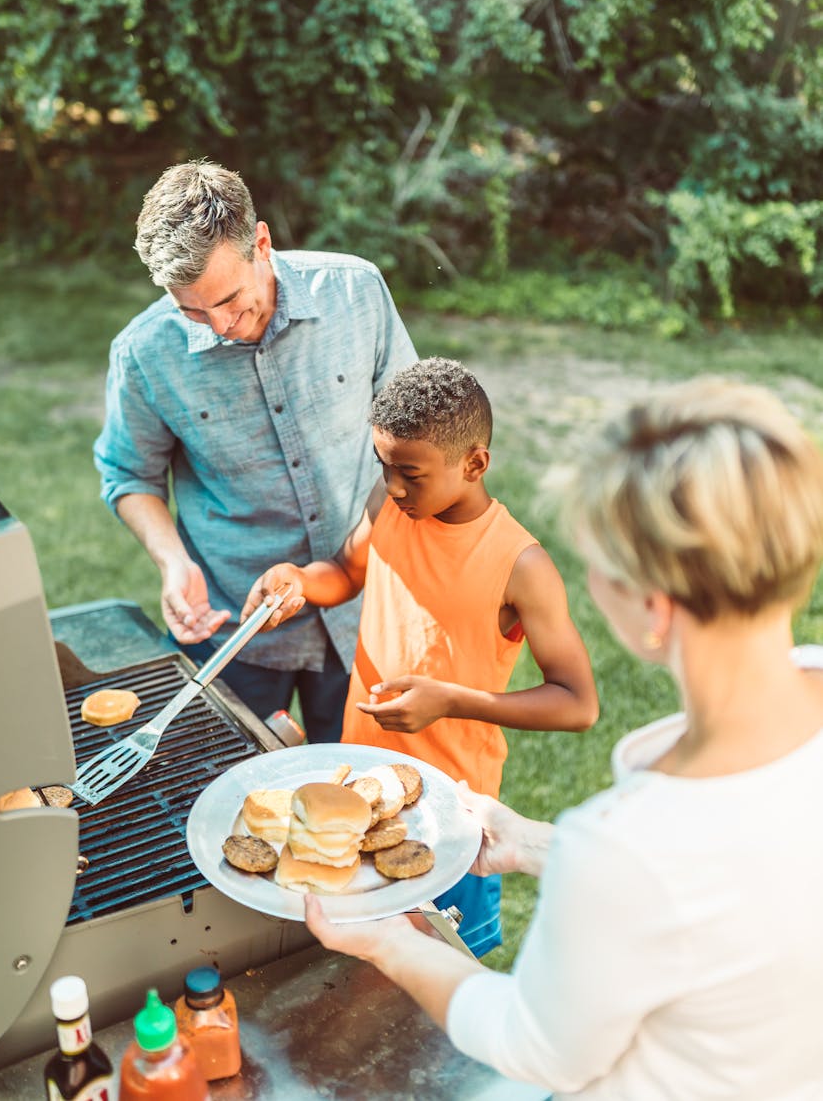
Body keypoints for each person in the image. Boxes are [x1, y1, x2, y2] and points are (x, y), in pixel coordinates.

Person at [300, 376, 823, 1099]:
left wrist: (385, 939)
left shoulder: (619, 849)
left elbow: (534, 1048)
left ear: (649, 608)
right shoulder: (618, 852)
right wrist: (538, 844)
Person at [243, 357, 598, 954]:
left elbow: (577, 702)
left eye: (410, 473)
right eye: (384, 468)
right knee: (360, 963)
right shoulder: (391, 507)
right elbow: (345, 571)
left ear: (474, 463)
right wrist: (300, 582)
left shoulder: (521, 566)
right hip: (363, 785)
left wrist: (451, 702)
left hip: (455, 811)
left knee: (441, 968)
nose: (395, 486)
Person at [93, 160, 416, 742]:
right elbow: (126, 474)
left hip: (368, 610)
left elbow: (416, 438)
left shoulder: (357, 292)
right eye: (192, 309)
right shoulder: (144, 353)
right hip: (234, 629)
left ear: (261, 242)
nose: (218, 325)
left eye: (230, 299)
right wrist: (173, 562)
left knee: (361, 805)